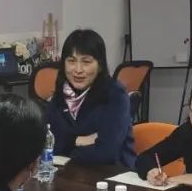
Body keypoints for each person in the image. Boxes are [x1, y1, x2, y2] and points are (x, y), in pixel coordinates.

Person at [46, 28, 135, 168]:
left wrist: (66, 145)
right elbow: (47, 144)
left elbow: (106, 151)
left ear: (100, 65)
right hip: (69, 173)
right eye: (71, 61)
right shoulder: (60, 95)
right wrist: (77, 141)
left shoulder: (115, 95)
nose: (78, 70)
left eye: (86, 62)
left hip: (113, 174)